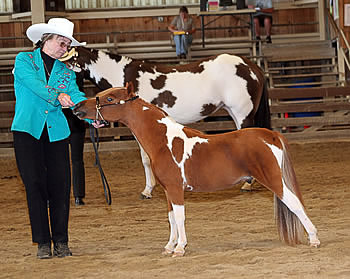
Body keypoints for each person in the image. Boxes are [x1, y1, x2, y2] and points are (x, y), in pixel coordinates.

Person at [11, 17, 102, 259]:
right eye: (62, 43)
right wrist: (58, 96)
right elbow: (35, 85)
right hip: (27, 132)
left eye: (67, 45)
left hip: (56, 134)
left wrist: (91, 116)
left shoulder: (66, 71)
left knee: (61, 187)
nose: (65, 49)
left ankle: (61, 241)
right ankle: (42, 242)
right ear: (46, 40)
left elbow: (76, 96)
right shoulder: (24, 61)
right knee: (34, 185)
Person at [63, 71, 87, 206]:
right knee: (76, 160)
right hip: (73, 124)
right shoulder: (77, 74)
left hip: (71, 124)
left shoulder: (73, 75)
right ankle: (78, 196)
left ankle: (78, 195)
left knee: (75, 160)